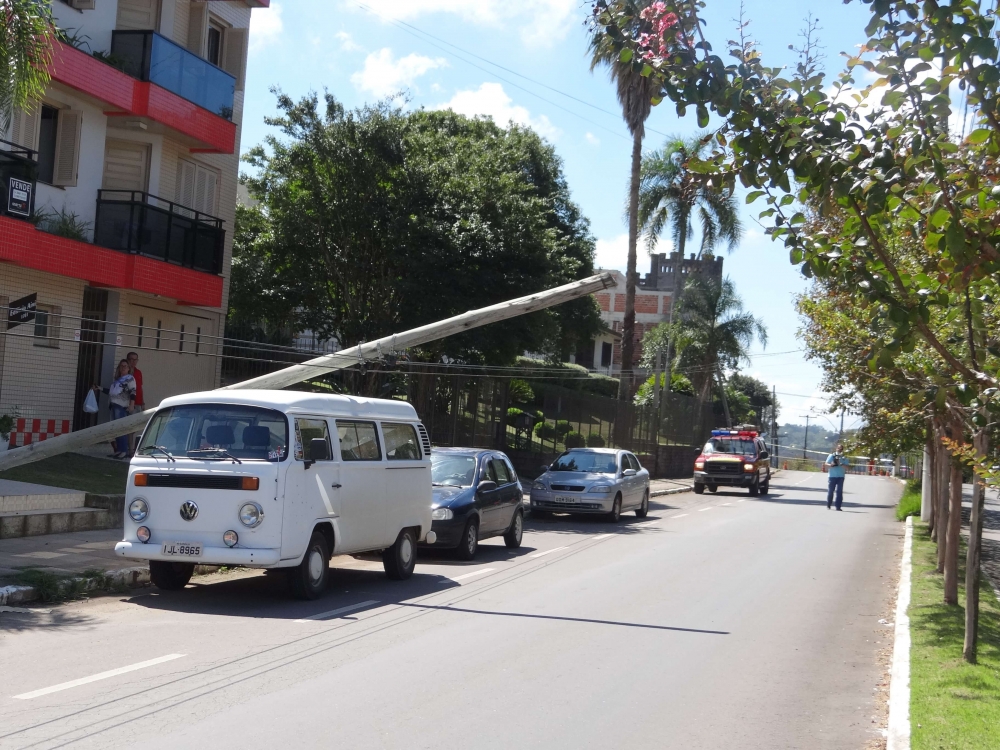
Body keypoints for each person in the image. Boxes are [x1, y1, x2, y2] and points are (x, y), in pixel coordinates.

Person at [94, 360, 136, 459]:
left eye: (125, 366)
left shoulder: (130, 379)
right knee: (115, 429)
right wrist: (99, 388)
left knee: (121, 428)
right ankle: (119, 450)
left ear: (129, 368)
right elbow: (111, 392)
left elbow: (133, 392)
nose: (123, 368)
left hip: (121, 406)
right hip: (113, 405)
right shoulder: (117, 380)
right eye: (121, 366)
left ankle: (124, 451)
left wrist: (132, 404)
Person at [126, 351, 144, 456]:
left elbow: (140, 388)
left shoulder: (139, 372)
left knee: (135, 427)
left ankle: (132, 448)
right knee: (130, 427)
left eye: (135, 359)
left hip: (138, 403)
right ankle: (130, 450)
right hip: (129, 404)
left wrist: (142, 402)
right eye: (131, 359)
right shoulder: (126, 372)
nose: (133, 361)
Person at [825, 443, 850, 510]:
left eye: (841, 449)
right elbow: (826, 463)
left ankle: (838, 506)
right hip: (832, 476)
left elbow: (847, 467)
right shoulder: (832, 455)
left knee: (839, 491)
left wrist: (841, 464)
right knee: (831, 491)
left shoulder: (844, 457)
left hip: (840, 476)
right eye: (839, 448)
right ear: (836, 449)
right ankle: (829, 504)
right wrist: (831, 465)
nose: (840, 450)